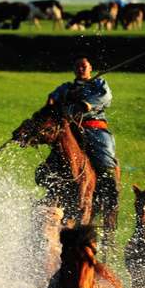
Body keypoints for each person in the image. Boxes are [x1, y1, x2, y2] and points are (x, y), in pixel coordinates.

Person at [48, 57, 120, 247]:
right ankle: (49, 183)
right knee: (57, 152)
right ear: (74, 69)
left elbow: (105, 97)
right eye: (78, 65)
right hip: (70, 128)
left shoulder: (98, 82)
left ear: (90, 68)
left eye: (84, 66)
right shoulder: (66, 87)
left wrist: (86, 104)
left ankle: (108, 188)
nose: (81, 68)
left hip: (93, 126)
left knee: (104, 156)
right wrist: (53, 102)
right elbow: (53, 97)